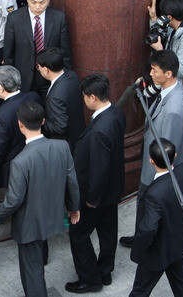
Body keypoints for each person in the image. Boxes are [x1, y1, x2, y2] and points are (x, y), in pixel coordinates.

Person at [0, 100, 80, 297]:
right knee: (37, 261)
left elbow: (14, 199)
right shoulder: (62, 146)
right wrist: (74, 207)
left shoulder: (20, 161)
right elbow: (71, 180)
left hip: (30, 224)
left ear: (20, 125)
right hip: (53, 215)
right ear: (43, 121)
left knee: (32, 272)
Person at [119, 50, 183, 248]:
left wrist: (158, 178)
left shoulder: (174, 108)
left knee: (148, 203)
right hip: (151, 162)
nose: (151, 74)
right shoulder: (168, 92)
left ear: (168, 74)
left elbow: (168, 150)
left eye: (155, 70)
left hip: (156, 171)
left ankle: (145, 239)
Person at [66, 73, 126, 293]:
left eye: (84, 96)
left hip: (96, 194)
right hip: (112, 189)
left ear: (92, 97)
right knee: (108, 230)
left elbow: (99, 168)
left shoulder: (100, 129)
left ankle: (90, 279)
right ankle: (105, 270)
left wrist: (92, 199)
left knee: (78, 234)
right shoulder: (116, 113)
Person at [0, 65, 41, 231]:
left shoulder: (2, 115)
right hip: (33, 153)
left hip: (12, 162)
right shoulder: (33, 97)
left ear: (1, 88)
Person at [129, 139, 183, 297]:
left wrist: (139, 247)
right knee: (182, 284)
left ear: (151, 161)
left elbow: (149, 228)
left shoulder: (155, 194)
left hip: (157, 251)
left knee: (140, 290)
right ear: (175, 155)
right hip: (177, 242)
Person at [3, 0, 72, 98]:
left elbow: (65, 53)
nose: (38, 7)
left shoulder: (59, 18)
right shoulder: (14, 19)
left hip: (50, 76)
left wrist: (65, 80)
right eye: (33, 2)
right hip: (23, 78)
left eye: (42, 2)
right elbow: (8, 54)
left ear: (49, 0)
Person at [37, 47, 85, 153]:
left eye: (39, 66)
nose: (38, 69)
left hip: (65, 145)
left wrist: (42, 122)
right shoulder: (73, 76)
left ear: (46, 70)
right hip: (78, 133)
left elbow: (60, 127)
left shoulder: (55, 97)